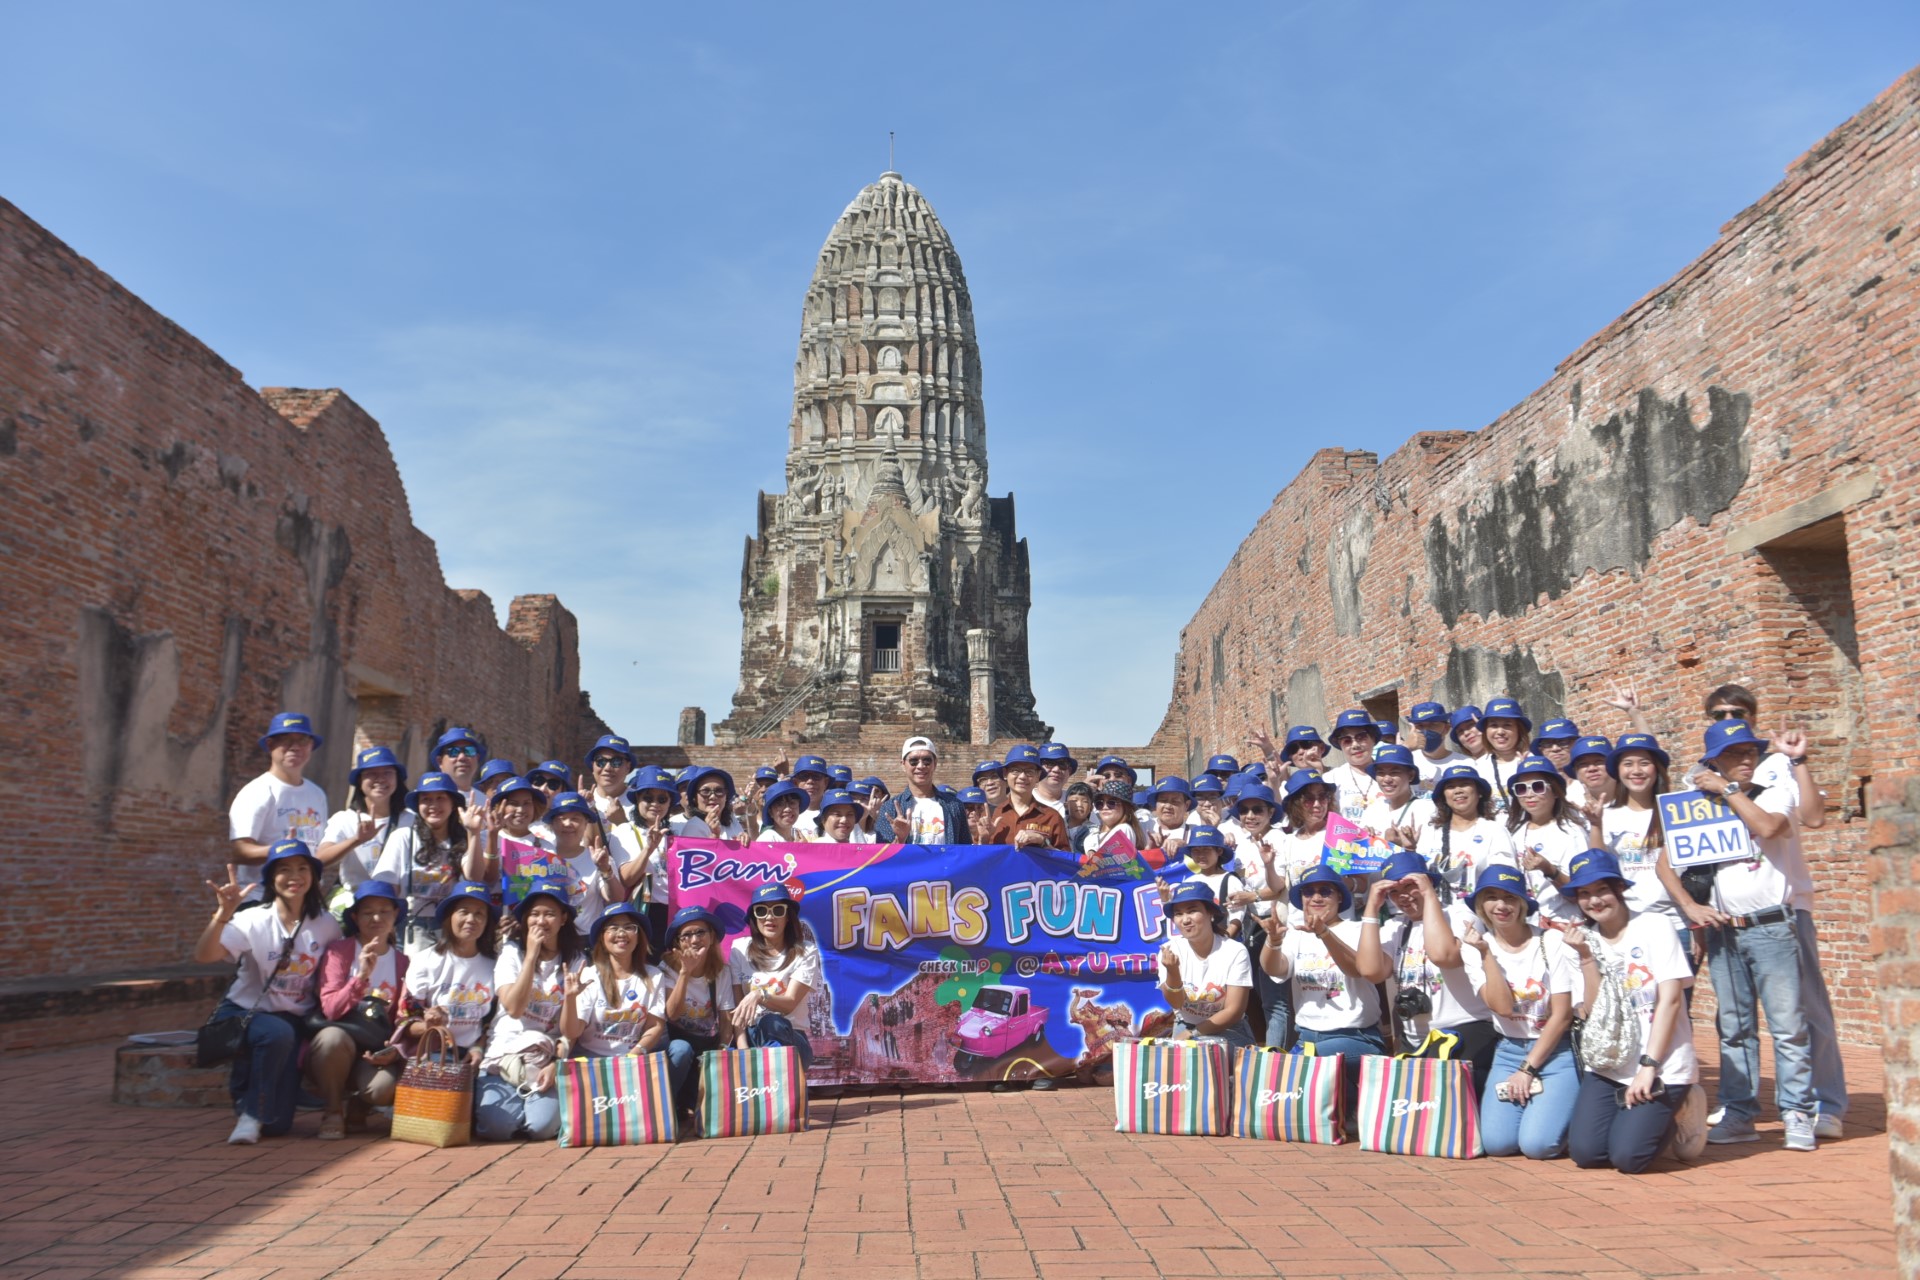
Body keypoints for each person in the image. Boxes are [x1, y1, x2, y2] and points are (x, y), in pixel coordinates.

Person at [1689, 720, 1820, 1151]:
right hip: (1725, 928)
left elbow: (1769, 828)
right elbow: (1670, 860)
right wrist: (1692, 909)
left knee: (1788, 1025)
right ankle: (1739, 1113)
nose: (1745, 760)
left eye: (1750, 751)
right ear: (1713, 761)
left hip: (1772, 924)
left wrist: (1728, 790)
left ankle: (1797, 1111)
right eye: (1733, 754)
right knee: (1734, 1028)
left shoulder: (1773, 788)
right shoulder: (1697, 805)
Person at [1561, 849, 1707, 1172]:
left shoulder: (1655, 926)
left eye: (1601, 890)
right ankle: (1643, 1118)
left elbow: (1670, 1000)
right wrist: (1585, 957)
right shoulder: (1580, 941)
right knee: (1587, 1153)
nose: (1594, 901)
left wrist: (1649, 1066)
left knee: (1629, 1158)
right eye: (1584, 893)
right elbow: (1589, 1010)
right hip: (1611, 1062)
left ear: (1619, 889)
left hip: (1661, 1062)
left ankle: (1682, 1106)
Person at [193, 840, 340, 1143]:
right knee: (275, 1033)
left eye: (302, 868)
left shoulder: (325, 924)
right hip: (247, 1012)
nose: (294, 876)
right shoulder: (253, 918)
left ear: (313, 877)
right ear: (271, 878)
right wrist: (223, 914)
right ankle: (250, 1114)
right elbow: (204, 955)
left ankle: (251, 1095)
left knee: (279, 1126)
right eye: (284, 869)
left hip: (293, 1020)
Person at [1359, 851, 1500, 1093]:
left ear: (1428, 882)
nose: (1403, 896)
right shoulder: (1395, 927)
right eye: (1394, 891)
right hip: (1415, 1039)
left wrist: (1428, 895)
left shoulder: (1459, 915)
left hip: (1464, 1031)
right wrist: (1371, 908)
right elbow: (1371, 971)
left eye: (1410, 885)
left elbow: (1443, 956)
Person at [1462, 866, 1578, 1160]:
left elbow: (1562, 1015)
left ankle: (1574, 1114)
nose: (1501, 906)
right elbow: (1501, 1007)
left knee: (1537, 1146)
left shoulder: (1550, 941)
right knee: (1499, 1144)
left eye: (1510, 897)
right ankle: (1546, 1108)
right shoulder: (1474, 948)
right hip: (1509, 1050)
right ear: (1481, 905)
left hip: (1555, 1051)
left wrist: (1527, 1070)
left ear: (1523, 904)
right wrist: (1486, 954)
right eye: (1492, 897)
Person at [1257, 866, 1389, 1111]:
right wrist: (1273, 941)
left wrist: (1324, 933)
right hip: (1307, 1037)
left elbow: (1357, 969)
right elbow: (1274, 969)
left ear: (1340, 897)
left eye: (1325, 891)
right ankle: (1348, 1105)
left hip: (1356, 1038)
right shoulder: (1296, 935)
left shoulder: (1359, 930)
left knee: (1294, 1066)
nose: (1316, 897)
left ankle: (1350, 1103)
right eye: (1308, 892)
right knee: (1283, 1065)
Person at [475, 876, 581, 1142]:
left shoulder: (577, 960)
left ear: (564, 918)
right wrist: (531, 956)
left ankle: (527, 1110)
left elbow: (571, 1030)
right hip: (504, 1058)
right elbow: (513, 1008)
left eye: (550, 914)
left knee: (541, 1128)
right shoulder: (512, 952)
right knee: (497, 1129)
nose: (541, 921)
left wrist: (556, 1065)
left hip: (546, 1060)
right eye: (534, 914)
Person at [308, 879, 409, 1140]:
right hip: (339, 1040)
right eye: (367, 912)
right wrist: (361, 976)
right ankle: (332, 1110)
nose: (376, 917)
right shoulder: (339, 952)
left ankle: (360, 1105)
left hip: (374, 1048)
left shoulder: (403, 962)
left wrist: (394, 1050)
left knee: (383, 1090)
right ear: (355, 917)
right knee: (331, 1039)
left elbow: (402, 1016)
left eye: (384, 910)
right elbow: (331, 1009)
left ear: (395, 914)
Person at [228, 711, 329, 904]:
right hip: (261, 898)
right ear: (270, 745)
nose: (295, 747)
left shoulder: (317, 794)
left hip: (305, 900)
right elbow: (239, 851)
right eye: (285, 740)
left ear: (311, 746)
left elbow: (317, 851)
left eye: (302, 741)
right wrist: (281, 849)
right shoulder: (257, 791)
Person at [400, 880, 498, 1070]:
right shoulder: (425, 961)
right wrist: (429, 1025)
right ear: (449, 917)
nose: (471, 919)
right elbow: (405, 1023)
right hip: (434, 1054)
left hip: (479, 1055)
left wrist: (479, 1047)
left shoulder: (494, 967)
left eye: (479, 914)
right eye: (464, 911)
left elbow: (493, 1022)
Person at [562, 903, 669, 1077]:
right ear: (602, 939)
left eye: (629, 927)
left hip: (632, 1059)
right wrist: (570, 998)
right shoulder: (589, 976)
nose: (621, 933)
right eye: (613, 928)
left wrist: (633, 1055)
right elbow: (572, 1032)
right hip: (590, 1061)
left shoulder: (654, 976)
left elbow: (654, 1027)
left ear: (639, 936)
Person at [374, 771, 473, 956]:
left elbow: (475, 878)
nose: (433, 805)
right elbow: (388, 889)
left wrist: (474, 834)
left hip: (452, 926)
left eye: (440, 798)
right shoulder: (403, 837)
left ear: (452, 804)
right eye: (426, 799)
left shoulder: (465, 840)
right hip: (411, 926)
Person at [660, 906, 746, 1115]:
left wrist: (722, 1048)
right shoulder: (666, 969)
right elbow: (672, 1014)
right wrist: (684, 972)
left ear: (712, 936)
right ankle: (663, 1107)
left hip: (706, 1046)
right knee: (680, 1050)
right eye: (686, 935)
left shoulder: (721, 972)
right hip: (677, 1044)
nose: (695, 939)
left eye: (700, 932)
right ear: (677, 943)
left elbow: (726, 1018)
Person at [727, 884, 821, 1069]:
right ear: (754, 917)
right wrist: (742, 1048)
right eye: (761, 911)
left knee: (772, 1022)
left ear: (788, 917)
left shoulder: (806, 951)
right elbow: (738, 1010)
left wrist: (759, 995)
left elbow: (790, 1002)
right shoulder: (739, 949)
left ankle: (776, 1080)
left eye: (778, 910)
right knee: (725, 1065)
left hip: (791, 1036)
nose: (769, 917)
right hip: (751, 1036)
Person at [1157, 881, 1256, 1048]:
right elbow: (1176, 1003)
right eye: (1179, 914)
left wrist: (1194, 1033)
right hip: (1185, 1026)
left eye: (1192, 911)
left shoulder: (1235, 951)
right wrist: (1173, 972)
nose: (1185, 920)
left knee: (1203, 1061)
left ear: (1210, 913)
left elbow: (1234, 1010)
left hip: (1230, 1030)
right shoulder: (1170, 950)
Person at [1503, 755, 1589, 923]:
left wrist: (1549, 869)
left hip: (1565, 924)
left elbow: (1583, 892)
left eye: (1537, 787)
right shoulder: (1514, 833)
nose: (1529, 794)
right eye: (1521, 789)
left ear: (1556, 791)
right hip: (1526, 928)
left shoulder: (1572, 833)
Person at [316, 745, 408, 901]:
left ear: (397, 778)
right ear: (360, 780)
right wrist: (356, 840)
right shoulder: (344, 819)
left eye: (387, 773)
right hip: (357, 903)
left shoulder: (412, 819)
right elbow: (320, 859)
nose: (380, 779)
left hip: (398, 906)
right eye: (371, 774)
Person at [1416, 763, 1517, 902]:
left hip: (1477, 915)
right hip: (1434, 915)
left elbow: (1505, 879)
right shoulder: (1430, 832)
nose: (1458, 790)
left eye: (1464, 784)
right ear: (1443, 796)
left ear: (1479, 792)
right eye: (1450, 787)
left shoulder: (1494, 830)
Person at [875, 736, 969, 845]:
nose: (921, 766)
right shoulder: (890, 808)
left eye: (927, 760)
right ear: (903, 765)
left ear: (935, 763)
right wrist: (900, 838)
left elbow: (965, 851)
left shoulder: (954, 806)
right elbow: (883, 855)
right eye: (913, 761)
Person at [1165, 826, 1247, 938]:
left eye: (1206, 850)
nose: (1201, 855)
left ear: (1219, 851)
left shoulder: (1230, 880)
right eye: (1196, 851)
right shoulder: (1189, 881)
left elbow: (1236, 919)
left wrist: (1224, 943)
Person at [986, 745, 1071, 851]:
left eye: (1029, 771)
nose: (1022, 777)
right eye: (1015, 770)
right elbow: (976, 860)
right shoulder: (991, 815)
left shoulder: (1052, 817)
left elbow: (1065, 860)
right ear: (1005, 774)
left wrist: (1042, 841)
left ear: (1038, 776)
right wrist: (983, 839)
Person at [1360, 744, 1435, 849]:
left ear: (1411, 775)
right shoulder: (1372, 810)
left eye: (1394, 772)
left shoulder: (1427, 810)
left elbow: (1431, 858)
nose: (1387, 779)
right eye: (1381, 773)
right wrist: (1364, 842)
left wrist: (1402, 847)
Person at [1322, 709, 1383, 824]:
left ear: (1373, 739)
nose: (1355, 745)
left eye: (1361, 737)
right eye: (1347, 740)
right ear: (1340, 745)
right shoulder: (1331, 779)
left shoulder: (1389, 775)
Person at [1476, 696, 1532, 814]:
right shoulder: (1478, 766)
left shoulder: (1532, 761)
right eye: (1494, 725)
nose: (1500, 732)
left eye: (1507, 725)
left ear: (1519, 729)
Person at [681, 767, 749, 841]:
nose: (713, 796)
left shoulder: (732, 821)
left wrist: (743, 840)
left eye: (719, 791)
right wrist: (714, 837)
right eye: (705, 791)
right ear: (695, 798)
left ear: (726, 796)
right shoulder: (693, 826)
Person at [581, 735, 636, 825]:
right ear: (593, 766)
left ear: (628, 767)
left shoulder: (642, 802)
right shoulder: (582, 802)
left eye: (616, 761)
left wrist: (622, 822)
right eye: (601, 761)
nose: (607, 768)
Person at [1407, 702, 1462, 784]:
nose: (1426, 731)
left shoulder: (1465, 763)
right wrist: (1404, 748)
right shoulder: (1406, 762)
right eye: (1420, 726)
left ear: (1446, 728)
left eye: (1433, 724)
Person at [428, 726, 485, 801]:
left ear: (477, 758)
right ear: (440, 761)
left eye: (469, 751)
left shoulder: (485, 802)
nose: (462, 757)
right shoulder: (426, 798)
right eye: (454, 751)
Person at [1144, 776, 1196, 853]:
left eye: (1175, 801)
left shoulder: (1195, 833)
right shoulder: (1143, 827)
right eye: (1163, 800)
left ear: (1187, 805)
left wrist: (1185, 846)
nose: (1168, 806)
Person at [788, 755, 833, 837]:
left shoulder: (837, 814)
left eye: (816, 776)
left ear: (825, 782)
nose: (810, 781)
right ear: (795, 783)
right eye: (804, 776)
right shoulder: (785, 814)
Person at [1034, 743, 1078, 816]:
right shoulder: (1024, 800)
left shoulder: (1077, 803)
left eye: (1062, 764)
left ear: (1069, 771)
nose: (1056, 769)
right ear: (1038, 770)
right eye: (1049, 763)